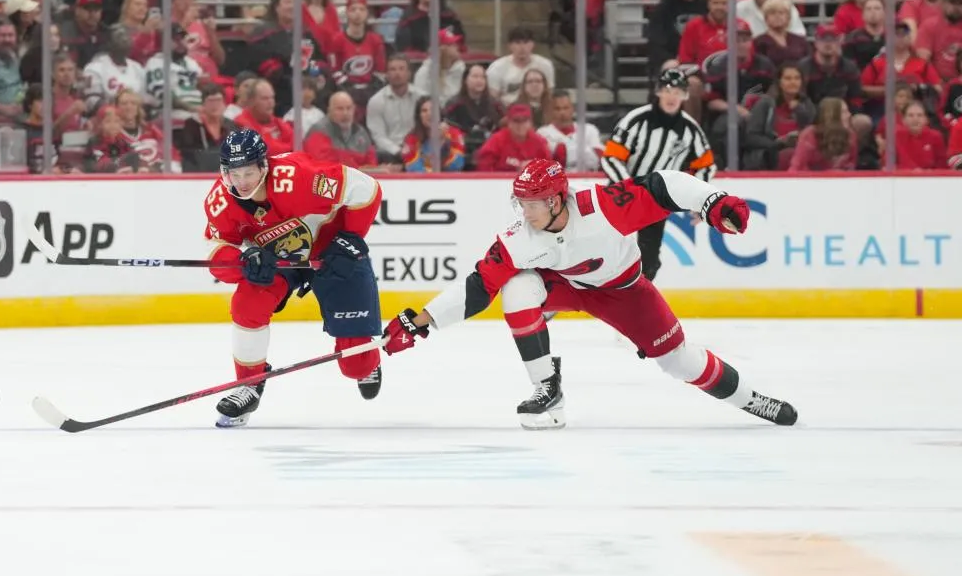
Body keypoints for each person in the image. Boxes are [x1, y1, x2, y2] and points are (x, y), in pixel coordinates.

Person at [381, 158, 798, 429]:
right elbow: (477, 286)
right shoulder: (518, 236)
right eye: (521, 202)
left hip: (625, 291)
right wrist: (421, 322)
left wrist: (713, 200)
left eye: (535, 203)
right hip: (567, 286)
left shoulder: (603, 206)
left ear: (560, 200)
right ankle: (548, 389)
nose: (526, 212)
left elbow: (662, 186)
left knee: (679, 361)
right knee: (517, 287)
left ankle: (752, 399)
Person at [203, 129, 384, 428]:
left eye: (249, 172)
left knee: (356, 365)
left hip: (331, 252)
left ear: (264, 165)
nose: (242, 182)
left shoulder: (301, 177)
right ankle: (250, 383)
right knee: (248, 302)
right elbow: (215, 249)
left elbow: (367, 189)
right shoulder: (221, 201)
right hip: (280, 259)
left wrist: (350, 239)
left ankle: (367, 360)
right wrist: (242, 261)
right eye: (234, 174)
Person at [600, 69, 715, 281]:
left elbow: (706, 165)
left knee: (650, 259)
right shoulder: (636, 120)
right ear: (658, 92)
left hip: (654, 200)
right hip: (620, 195)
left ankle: (637, 306)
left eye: (678, 91)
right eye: (667, 90)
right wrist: (627, 187)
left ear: (685, 96)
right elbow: (611, 158)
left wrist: (700, 201)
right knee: (600, 250)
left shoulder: (690, 129)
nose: (672, 96)